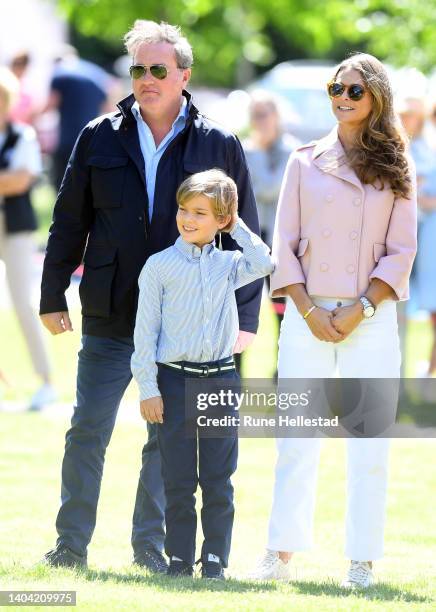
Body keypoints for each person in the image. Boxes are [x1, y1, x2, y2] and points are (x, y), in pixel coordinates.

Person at [39, 20, 262, 571]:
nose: (146, 78)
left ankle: (149, 547)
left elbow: (243, 229)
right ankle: (70, 546)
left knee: (166, 442)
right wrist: (51, 295)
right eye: (138, 68)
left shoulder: (217, 142)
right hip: (111, 311)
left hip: (186, 325)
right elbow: (69, 220)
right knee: (89, 427)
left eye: (158, 69)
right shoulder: (98, 135)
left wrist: (248, 317)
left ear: (183, 75)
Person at [251, 53, 417, 588]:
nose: (342, 98)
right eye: (335, 88)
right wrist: (306, 309)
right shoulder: (303, 160)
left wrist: (361, 308)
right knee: (295, 438)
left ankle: (361, 560)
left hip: (371, 316)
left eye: (353, 90)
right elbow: (284, 245)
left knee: (369, 440)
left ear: (376, 99)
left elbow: (401, 250)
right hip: (307, 315)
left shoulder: (397, 163)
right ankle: (279, 552)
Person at [132, 169, 273, 579]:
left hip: (220, 381)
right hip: (173, 381)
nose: (188, 219)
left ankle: (215, 561)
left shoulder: (229, 264)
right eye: (183, 209)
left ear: (221, 221)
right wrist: (148, 388)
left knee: (217, 479)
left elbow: (264, 262)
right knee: (177, 479)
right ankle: (178, 559)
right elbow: (145, 335)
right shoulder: (158, 267)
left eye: (201, 213)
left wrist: (237, 224)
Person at [0, 66, 55, 410]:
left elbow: (23, 180)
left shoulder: (23, 135)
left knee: (24, 303)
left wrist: (10, 180)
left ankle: (45, 380)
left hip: (15, 229)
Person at [242, 91, 300, 376]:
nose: (260, 121)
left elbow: (268, 188)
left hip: (280, 244)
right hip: (250, 243)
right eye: (255, 115)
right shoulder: (245, 148)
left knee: (282, 311)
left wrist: (257, 152)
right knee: (242, 310)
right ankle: (234, 374)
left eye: (265, 114)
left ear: (277, 116)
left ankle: (282, 373)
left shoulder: (292, 150)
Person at [398, 97, 436, 378]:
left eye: (414, 114)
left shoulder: (428, 148)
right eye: (405, 113)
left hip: (428, 237)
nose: (409, 119)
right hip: (400, 239)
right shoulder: (392, 147)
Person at [44, 46, 111, 190]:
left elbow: (50, 104)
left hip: (68, 140)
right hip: (93, 138)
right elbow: (108, 105)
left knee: (63, 184)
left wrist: (30, 117)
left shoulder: (59, 73)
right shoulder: (96, 73)